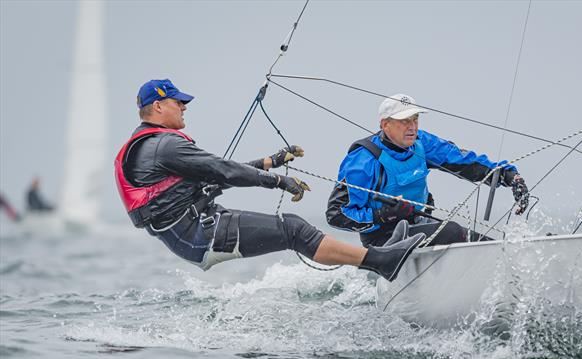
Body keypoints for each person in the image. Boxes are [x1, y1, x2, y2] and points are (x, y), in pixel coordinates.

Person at [115, 78, 424, 281]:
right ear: (158, 106)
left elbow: (213, 179)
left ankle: (380, 257)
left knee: (293, 228)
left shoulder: (152, 146)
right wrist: (277, 180)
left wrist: (270, 162)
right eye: (177, 102)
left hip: (194, 231)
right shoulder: (165, 145)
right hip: (198, 234)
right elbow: (222, 170)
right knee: (293, 229)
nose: (184, 107)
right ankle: (382, 262)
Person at [327, 94, 529, 247]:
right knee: (452, 231)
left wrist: (509, 176)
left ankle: (503, 250)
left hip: (418, 225)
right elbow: (336, 214)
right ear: (385, 124)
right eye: (404, 120)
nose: (412, 126)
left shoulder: (422, 144)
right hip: (383, 240)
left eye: (415, 119)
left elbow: (465, 162)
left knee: (465, 234)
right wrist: (383, 215)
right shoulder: (363, 160)